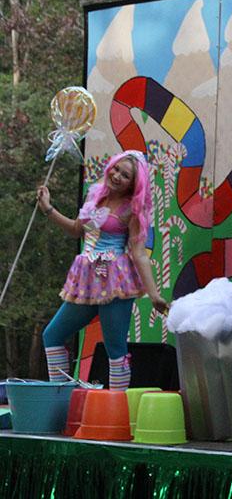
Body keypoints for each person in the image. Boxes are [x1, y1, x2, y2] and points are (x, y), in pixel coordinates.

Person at [38, 150, 166, 391]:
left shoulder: (132, 210)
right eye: (116, 169)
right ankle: (62, 400)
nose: (117, 176)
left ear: (133, 184)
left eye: (125, 175)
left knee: (115, 349)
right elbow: (77, 229)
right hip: (86, 280)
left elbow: (139, 254)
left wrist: (154, 294)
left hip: (113, 280)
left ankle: (117, 408)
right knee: (52, 335)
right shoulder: (95, 195)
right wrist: (48, 208)